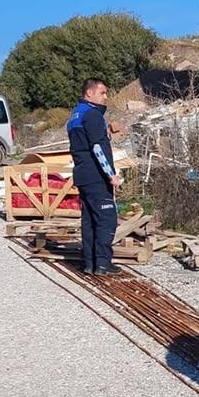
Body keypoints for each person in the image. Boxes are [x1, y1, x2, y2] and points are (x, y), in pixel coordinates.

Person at [67, 78, 122, 275]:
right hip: (96, 175)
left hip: (82, 173)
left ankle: (90, 263)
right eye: (103, 93)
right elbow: (97, 147)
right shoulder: (92, 115)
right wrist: (111, 175)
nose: (106, 97)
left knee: (89, 220)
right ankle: (103, 264)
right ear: (89, 93)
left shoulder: (75, 115)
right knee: (107, 218)